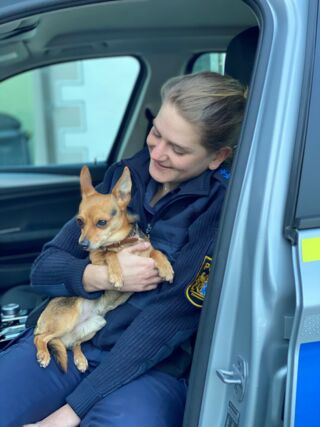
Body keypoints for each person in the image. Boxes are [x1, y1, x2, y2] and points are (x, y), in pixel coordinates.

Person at [0, 71, 246, 427]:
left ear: (215, 157)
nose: (157, 153)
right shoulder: (126, 175)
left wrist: (68, 414)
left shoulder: (217, 210)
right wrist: (99, 275)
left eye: (177, 149)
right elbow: (45, 267)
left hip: (147, 368)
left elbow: (165, 324)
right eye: (156, 134)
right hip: (72, 339)